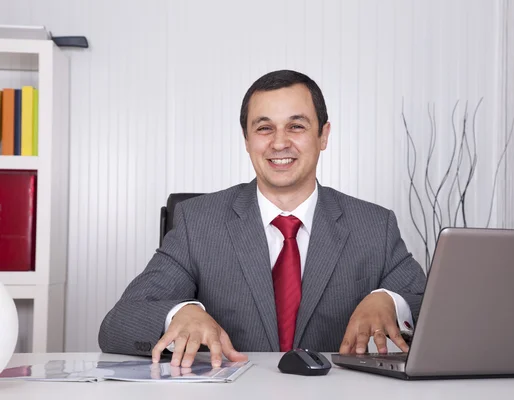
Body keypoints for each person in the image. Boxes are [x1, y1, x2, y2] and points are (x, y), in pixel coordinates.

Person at [98, 70, 426, 369]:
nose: (279, 142)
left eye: (296, 126)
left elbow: (440, 312)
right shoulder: (198, 223)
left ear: (323, 136)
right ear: (247, 140)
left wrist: (392, 302)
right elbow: (118, 323)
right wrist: (178, 314)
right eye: (264, 128)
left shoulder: (374, 226)